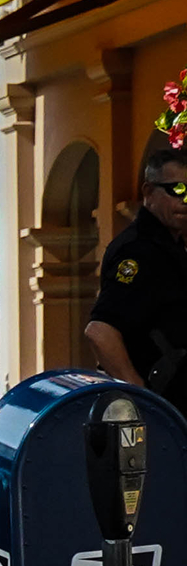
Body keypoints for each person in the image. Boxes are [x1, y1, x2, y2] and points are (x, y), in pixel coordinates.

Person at [83, 133, 187, 409]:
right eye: (177, 190)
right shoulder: (139, 251)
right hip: (166, 410)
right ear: (148, 193)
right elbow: (101, 331)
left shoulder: (174, 245)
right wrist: (145, 400)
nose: (185, 201)